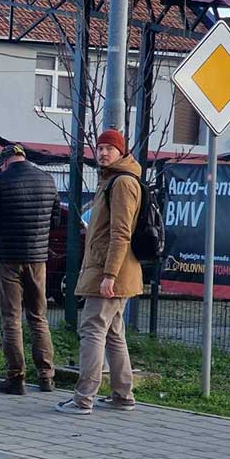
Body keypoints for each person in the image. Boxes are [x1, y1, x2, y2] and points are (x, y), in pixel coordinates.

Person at [57, 130, 142, 415]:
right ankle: (122, 395)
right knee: (114, 333)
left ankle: (84, 398)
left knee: (92, 330)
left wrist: (109, 275)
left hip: (110, 273)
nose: (103, 153)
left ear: (121, 152)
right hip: (111, 271)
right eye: (100, 148)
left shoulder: (122, 183)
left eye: (109, 148)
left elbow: (121, 234)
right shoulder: (113, 179)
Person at [0, 143, 60, 395]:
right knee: (38, 318)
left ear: (4, 163)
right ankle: (47, 376)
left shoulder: (0, 182)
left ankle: (16, 378)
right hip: (37, 259)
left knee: (11, 319)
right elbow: (55, 219)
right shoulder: (47, 180)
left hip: (8, 259)